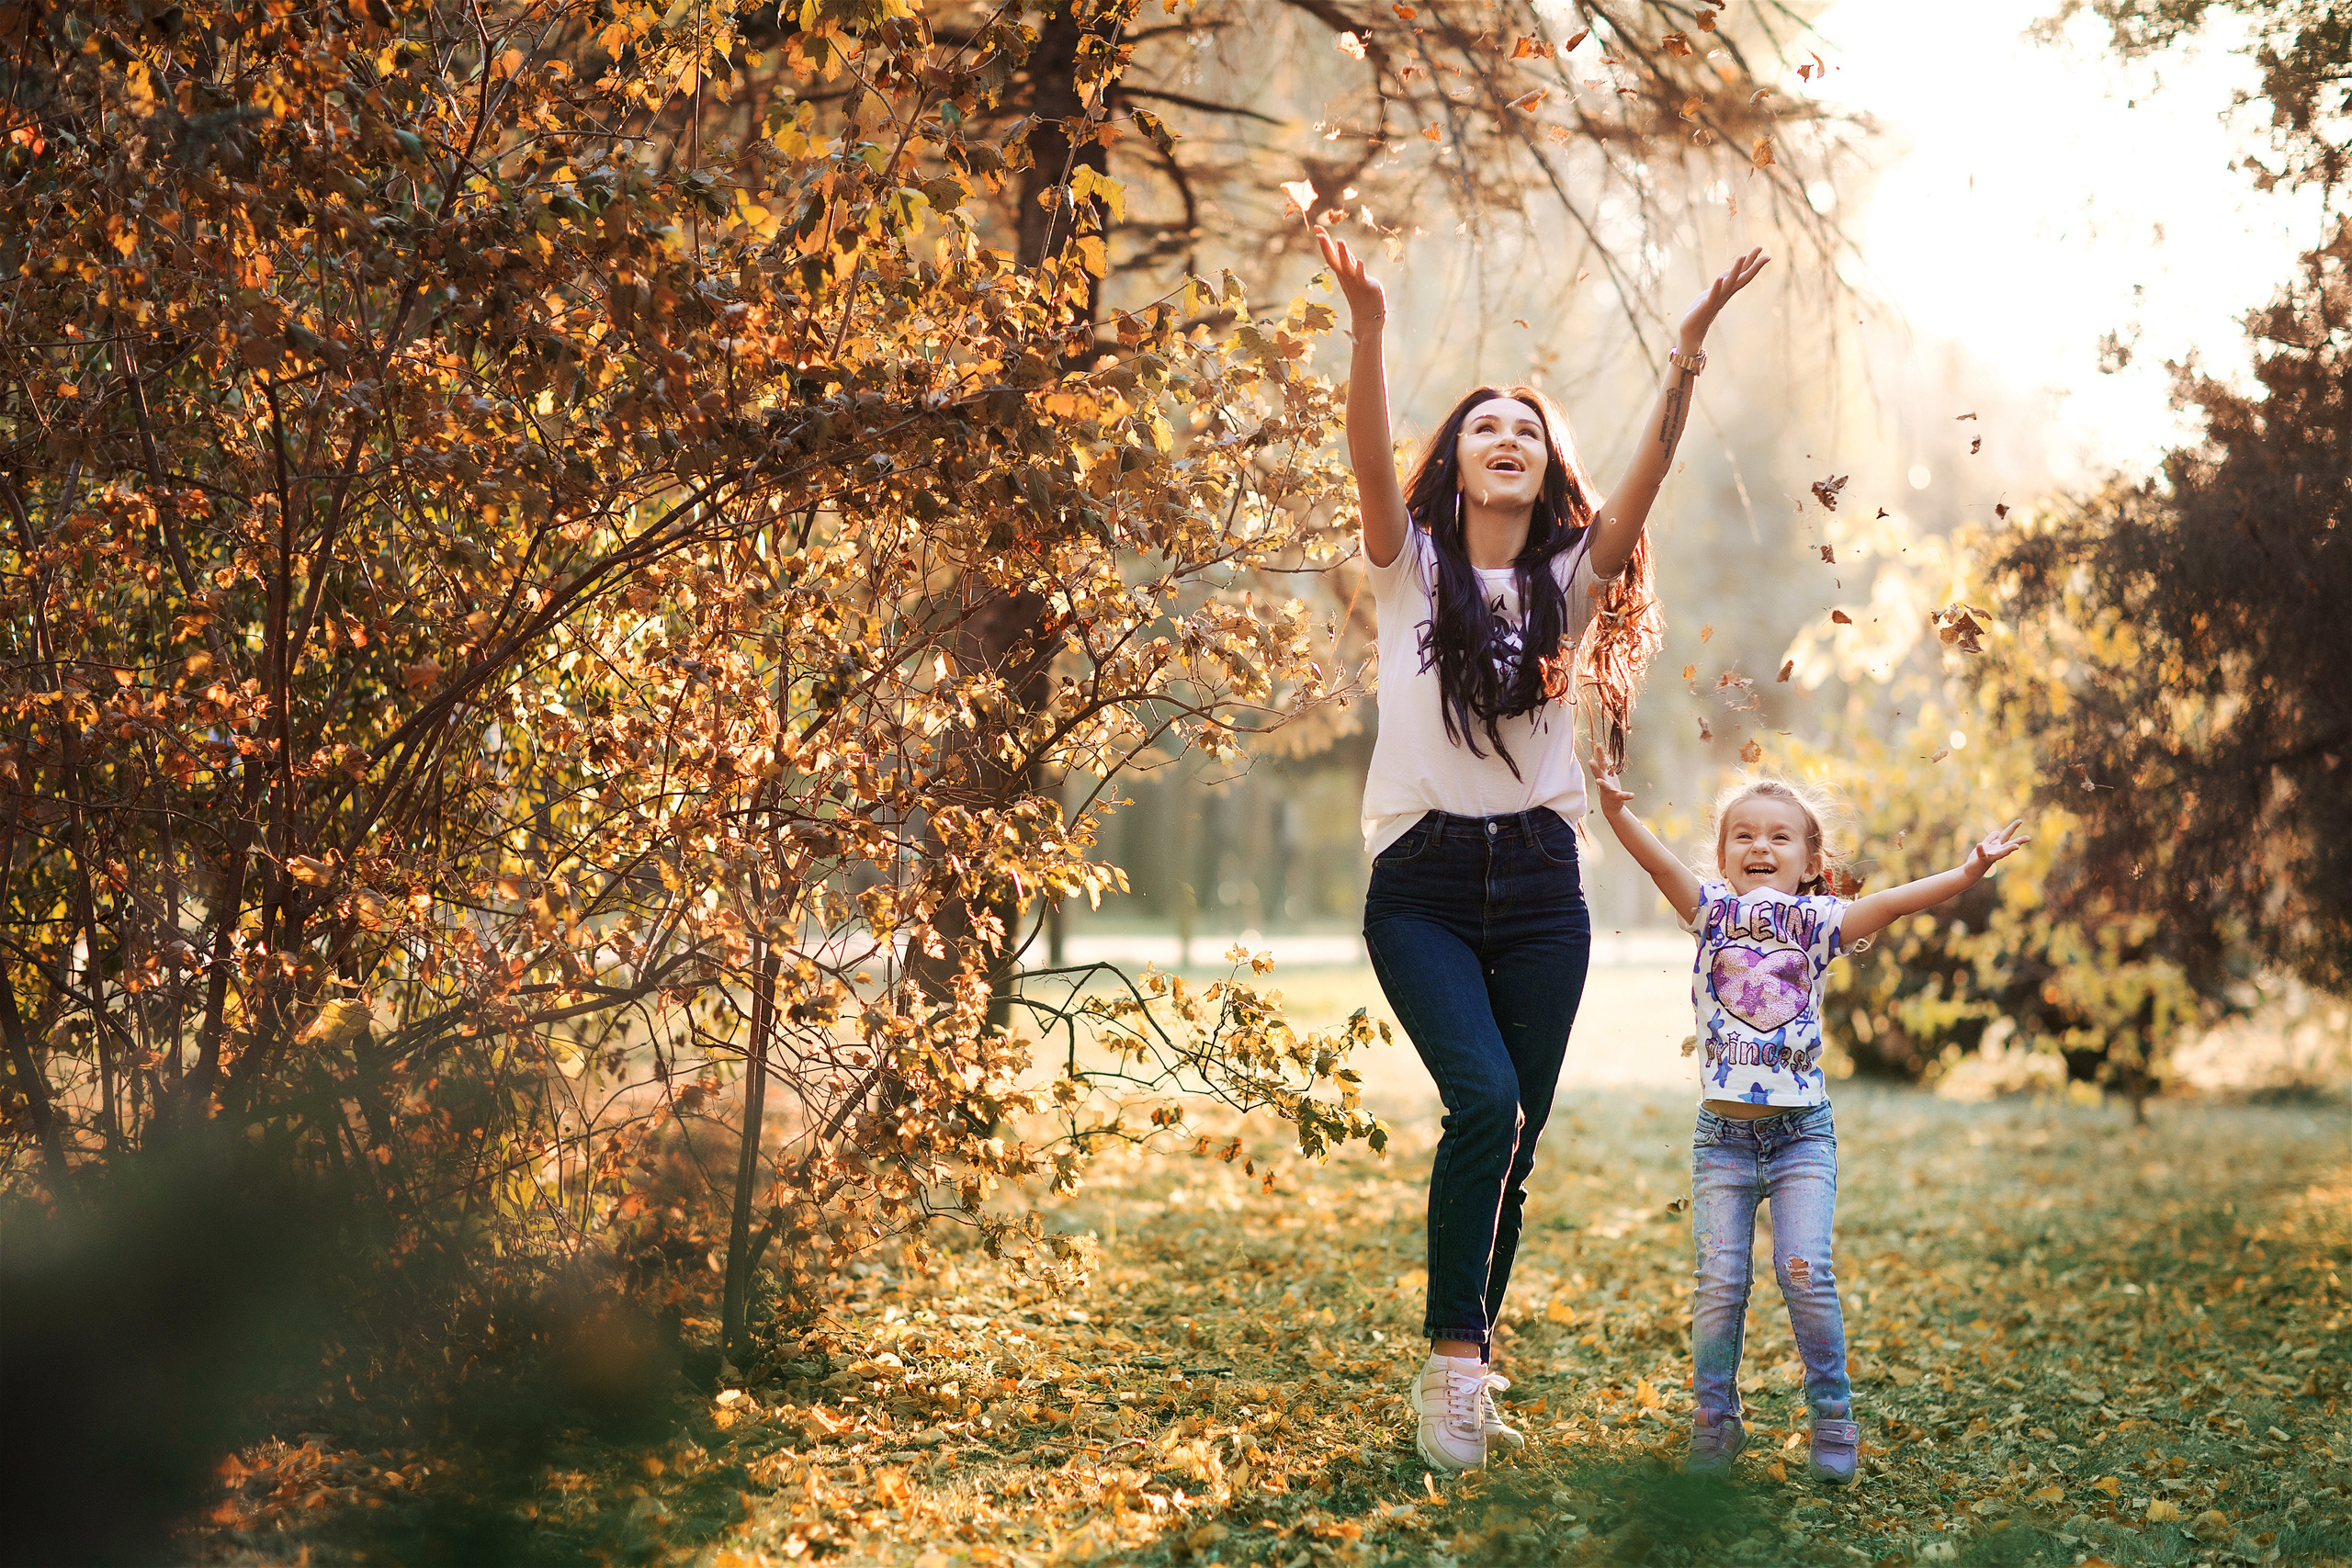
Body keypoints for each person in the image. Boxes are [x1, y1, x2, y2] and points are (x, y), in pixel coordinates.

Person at [1315, 226, 1770, 1474]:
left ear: (1543, 462)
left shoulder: (1569, 581)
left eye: (1527, 425)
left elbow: (1654, 470)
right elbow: (1365, 457)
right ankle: (1451, 1373)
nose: (1506, 436)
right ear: (1454, 466)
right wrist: (1368, 327)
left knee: (1514, 1135)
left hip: (1539, 886)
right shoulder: (1408, 569)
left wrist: (1682, 357)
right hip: (1419, 882)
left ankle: (1464, 1353)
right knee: (1488, 1101)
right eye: (1482, 427)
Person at [1595, 772, 2030, 1483]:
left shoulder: (1818, 923)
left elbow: (1891, 903)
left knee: (1804, 1270)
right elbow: (1658, 863)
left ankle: (1832, 1415)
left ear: (1808, 860)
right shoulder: (1709, 912)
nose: (1759, 844)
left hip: (1802, 1138)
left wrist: (1969, 868)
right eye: (1744, 833)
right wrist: (1618, 813)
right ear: (1725, 853)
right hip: (1722, 1143)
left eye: (1778, 834)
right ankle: (1715, 1423)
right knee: (1719, 1283)